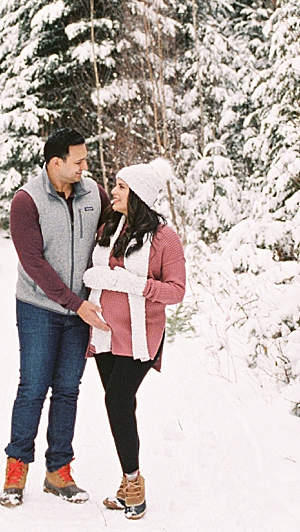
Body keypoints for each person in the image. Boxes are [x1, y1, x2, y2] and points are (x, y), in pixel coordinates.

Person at [0, 128, 111, 508]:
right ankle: (17, 468)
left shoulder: (93, 194)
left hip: (80, 310)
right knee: (33, 387)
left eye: (85, 160)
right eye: (78, 161)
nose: (85, 167)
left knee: (68, 390)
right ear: (55, 163)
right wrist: (74, 303)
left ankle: (58, 471)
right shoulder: (26, 201)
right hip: (38, 308)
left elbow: (117, 231)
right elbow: (33, 263)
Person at [82, 159, 186, 521]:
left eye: (121, 187)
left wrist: (135, 284)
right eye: (115, 185)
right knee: (120, 405)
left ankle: (133, 482)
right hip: (106, 331)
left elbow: (176, 292)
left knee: (117, 399)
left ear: (139, 195)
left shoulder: (164, 238)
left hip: (141, 335)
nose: (114, 191)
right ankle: (128, 482)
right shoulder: (110, 226)